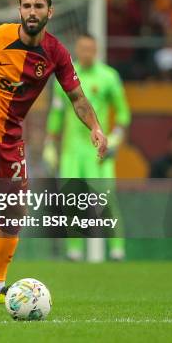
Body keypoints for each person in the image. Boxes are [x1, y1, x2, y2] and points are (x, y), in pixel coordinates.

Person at [0, 0, 107, 307]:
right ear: (20, 10)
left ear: (49, 11)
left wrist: (96, 127)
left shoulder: (56, 52)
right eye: (27, 6)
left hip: (11, 137)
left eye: (39, 6)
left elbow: (77, 97)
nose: (32, 12)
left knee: (14, 212)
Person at [44, 33, 131, 261]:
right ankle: (74, 251)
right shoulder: (63, 77)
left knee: (105, 199)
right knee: (72, 201)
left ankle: (117, 249)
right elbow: (56, 113)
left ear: (97, 50)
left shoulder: (109, 77)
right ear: (76, 50)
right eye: (83, 48)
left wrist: (116, 138)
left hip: (98, 150)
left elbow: (122, 112)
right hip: (72, 151)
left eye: (91, 48)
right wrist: (50, 144)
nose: (87, 53)